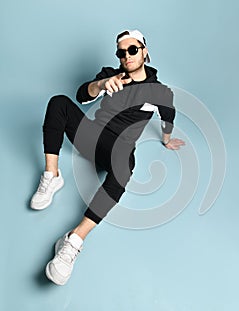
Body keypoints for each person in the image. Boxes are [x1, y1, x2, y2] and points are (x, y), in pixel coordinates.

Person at [30, 29, 185, 285]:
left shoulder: (161, 92)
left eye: (132, 49)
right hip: (90, 137)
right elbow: (82, 95)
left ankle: (74, 241)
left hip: (118, 150)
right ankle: (52, 176)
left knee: (127, 165)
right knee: (59, 102)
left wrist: (166, 140)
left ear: (145, 51)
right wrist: (100, 85)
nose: (126, 56)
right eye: (121, 52)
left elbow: (168, 117)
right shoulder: (111, 76)